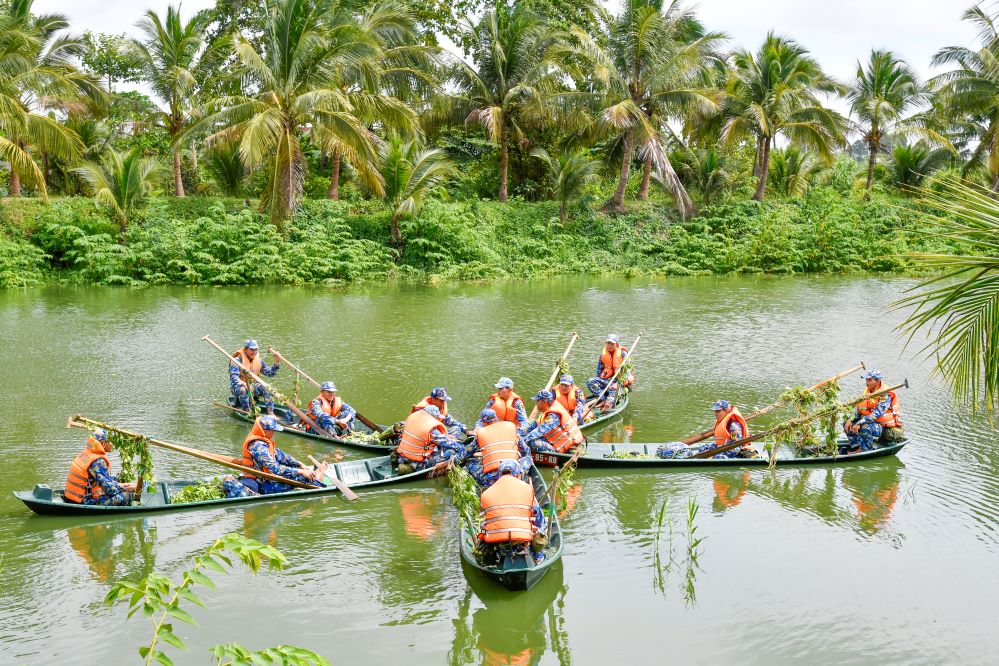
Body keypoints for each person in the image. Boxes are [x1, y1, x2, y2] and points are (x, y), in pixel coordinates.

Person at [223, 415, 325, 497]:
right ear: (265, 431)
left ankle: (314, 475)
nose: (274, 432)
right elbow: (276, 469)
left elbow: (280, 455)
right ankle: (317, 479)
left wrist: (299, 464)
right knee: (303, 478)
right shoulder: (257, 446)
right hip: (262, 484)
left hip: (265, 478)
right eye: (273, 430)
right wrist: (301, 472)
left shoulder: (263, 440)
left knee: (295, 469)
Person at [477, 462, 548, 564]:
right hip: (522, 536)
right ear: (517, 474)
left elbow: (484, 519)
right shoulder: (527, 488)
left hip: (497, 538)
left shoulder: (486, 493)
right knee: (541, 525)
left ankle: (492, 560)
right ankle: (538, 557)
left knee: (484, 530)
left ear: (500, 474)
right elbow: (537, 517)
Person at [64, 428, 136, 506]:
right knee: (126, 496)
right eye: (111, 441)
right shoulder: (98, 462)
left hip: (70, 498)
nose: (112, 444)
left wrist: (120, 484)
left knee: (114, 479)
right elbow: (111, 490)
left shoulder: (85, 454)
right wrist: (128, 488)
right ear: (104, 443)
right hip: (84, 502)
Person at [465, 409, 531, 487]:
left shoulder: (481, 433)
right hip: (514, 474)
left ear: (483, 422)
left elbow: (465, 454)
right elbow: (526, 451)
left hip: (492, 480)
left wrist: (454, 460)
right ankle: (521, 477)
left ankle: (483, 484)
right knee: (528, 458)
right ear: (496, 418)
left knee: (469, 461)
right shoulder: (512, 428)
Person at [843, 370, 903, 453]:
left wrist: (859, 423)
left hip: (886, 429)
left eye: (870, 380)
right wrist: (850, 419)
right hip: (874, 424)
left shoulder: (885, 394)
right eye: (866, 380)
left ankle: (865, 449)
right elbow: (860, 409)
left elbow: (876, 414)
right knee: (847, 423)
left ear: (877, 381)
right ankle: (856, 447)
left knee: (865, 426)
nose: (867, 383)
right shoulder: (868, 391)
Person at [396, 404, 470, 473]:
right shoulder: (430, 429)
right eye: (436, 417)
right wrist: (462, 448)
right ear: (433, 416)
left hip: (402, 457)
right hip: (417, 463)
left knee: (455, 430)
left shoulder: (412, 418)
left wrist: (447, 437)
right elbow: (446, 442)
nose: (437, 419)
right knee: (451, 452)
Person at [229, 339, 282, 414]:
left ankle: (271, 413)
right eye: (251, 349)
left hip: (253, 385)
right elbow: (234, 379)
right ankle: (247, 411)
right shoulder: (236, 361)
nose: (254, 352)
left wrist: (276, 363)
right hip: (238, 387)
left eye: (256, 350)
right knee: (244, 390)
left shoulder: (259, 360)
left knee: (268, 389)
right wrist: (245, 384)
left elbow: (270, 373)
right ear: (245, 349)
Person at [586, 334, 634, 411]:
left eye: (612, 344)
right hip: (607, 381)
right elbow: (599, 370)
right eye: (608, 343)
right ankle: (603, 398)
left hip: (619, 382)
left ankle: (608, 401)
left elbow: (627, 372)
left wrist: (618, 383)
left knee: (612, 394)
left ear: (617, 344)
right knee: (590, 381)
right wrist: (600, 382)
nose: (609, 345)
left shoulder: (623, 354)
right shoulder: (603, 354)